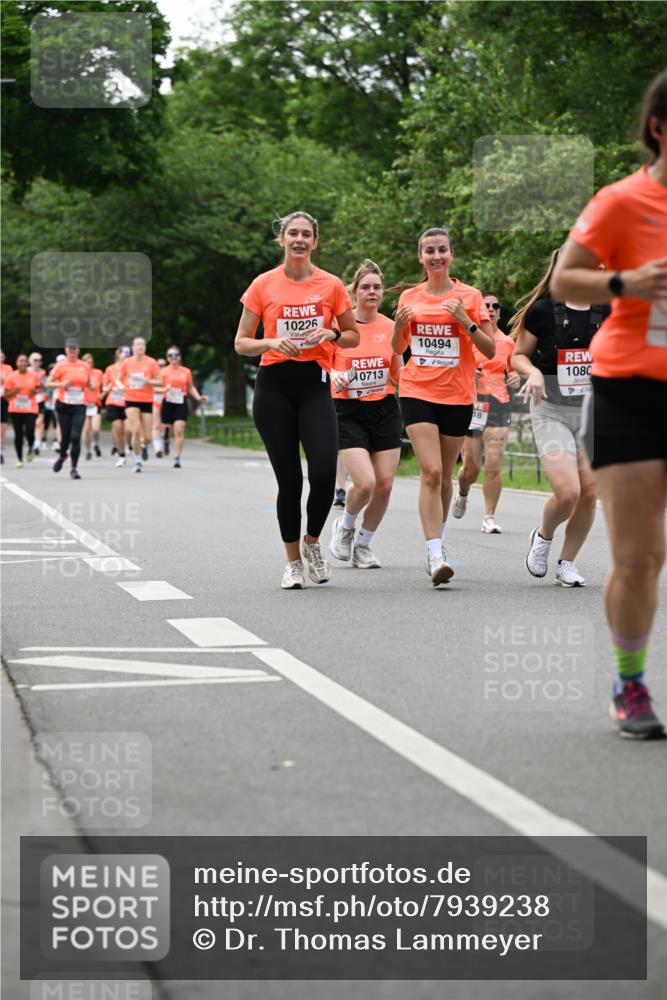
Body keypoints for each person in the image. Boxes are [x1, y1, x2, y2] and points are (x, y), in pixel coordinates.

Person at [551, 69, 667, 739]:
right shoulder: (622, 202)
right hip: (630, 390)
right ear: (658, 129)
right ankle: (628, 683)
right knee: (638, 556)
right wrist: (626, 280)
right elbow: (566, 275)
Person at [235, 210, 359, 589]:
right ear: (282, 240)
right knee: (289, 481)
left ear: (315, 241)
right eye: (293, 234)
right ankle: (292, 563)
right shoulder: (263, 284)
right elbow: (241, 343)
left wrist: (331, 334)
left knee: (323, 473)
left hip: (314, 385)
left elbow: (353, 335)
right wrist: (271, 342)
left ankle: (313, 543)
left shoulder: (332, 284)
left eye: (306, 234)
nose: (300, 240)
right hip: (273, 386)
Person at [391, 227, 494, 585]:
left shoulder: (470, 295)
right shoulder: (410, 296)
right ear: (421, 257)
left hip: (457, 396)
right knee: (432, 472)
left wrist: (465, 321)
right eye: (429, 251)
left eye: (442, 250)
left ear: (451, 254)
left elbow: (491, 350)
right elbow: (397, 346)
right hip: (417, 391)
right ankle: (435, 553)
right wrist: (399, 326)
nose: (436, 256)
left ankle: (440, 538)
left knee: (447, 477)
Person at [510, 252, 609, 587]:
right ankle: (543, 536)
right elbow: (518, 356)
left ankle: (567, 563)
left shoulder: (607, 312)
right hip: (550, 407)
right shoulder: (543, 312)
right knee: (568, 491)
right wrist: (534, 373)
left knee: (590, 491)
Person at [329, 259, 403, 568]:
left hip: (384, 408)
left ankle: (363, 544)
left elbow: (398, 374)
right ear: (355, 292)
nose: (372, 292)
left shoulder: (391, 327)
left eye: (377, 287)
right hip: (348, 409)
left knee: (385, 485)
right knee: (366, 483)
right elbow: (322, 362)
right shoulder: (340, 327)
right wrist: (333, 374)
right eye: (366, 287)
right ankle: (345, 526)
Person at [452, 292, 521, 533]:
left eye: (495, 306)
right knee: (471, 468)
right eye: (486, 305)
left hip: (499, 404)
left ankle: (489, 516)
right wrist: (469, 373)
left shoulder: (508, 343)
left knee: (494, 460)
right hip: (471, 403)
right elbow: (454, 367)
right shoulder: (468, 339)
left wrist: (515, 379)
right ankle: (462, 491)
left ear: (500, 312)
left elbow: (513, 371)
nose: (490, 309)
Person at [46, 338, 92, 479]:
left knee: (76, 436)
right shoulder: (60, 366)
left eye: (75, 348)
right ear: (66, 350)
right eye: (70, 348)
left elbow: (88, 383)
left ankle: (74, 468)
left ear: (78, 350)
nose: (72, 351)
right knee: (65, 437)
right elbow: (48, 384)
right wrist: (61, 385)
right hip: (64, 405)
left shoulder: (85, 366)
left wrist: (91, 387)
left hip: (80, 405)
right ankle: (62, 455)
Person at [117, 337, 162, 473]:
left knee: (147, 436)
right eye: (138, 344)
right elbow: (118, 380)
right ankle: (137, 460)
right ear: (133, 347)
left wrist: (148, 381)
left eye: (143, 344)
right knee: (135, 430)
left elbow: (159, 382)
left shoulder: (151, 362)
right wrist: (121, 387)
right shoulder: (127, 363)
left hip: (147, 400)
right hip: (131, 398)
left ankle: (143, 446)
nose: (141, 347)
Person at [160, 346, 208, 468]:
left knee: (179, 430)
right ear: (167, 358)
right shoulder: (163, 372)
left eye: (175, 355)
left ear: (179, 357)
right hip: (167, 401)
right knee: (167, 430)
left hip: (181, 402)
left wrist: (198, 397)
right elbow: (156, 387)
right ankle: (165, 440)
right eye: (170, 355)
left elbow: (190, 387)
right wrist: (164, 389)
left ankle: (177, 458)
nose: (173, 357)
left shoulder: (186, 371)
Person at [4, 354, 40, 467]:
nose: (23, 363)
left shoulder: (33, 375)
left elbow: (38, 388)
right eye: (20, 361)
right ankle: (19, 458)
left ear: (27, 363)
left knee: (29, 431)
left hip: (30, 408)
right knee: (18, 434)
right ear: (17, 363)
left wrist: (34, 392)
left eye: (25, 361)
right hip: (15, 408)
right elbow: (5, 395)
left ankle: (30, 446)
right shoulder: (11, 377)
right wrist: (15, 391)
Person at [103, 347, 129, 467]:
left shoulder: (131, 368)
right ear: (118, 354)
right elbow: (104, 386)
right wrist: (107, 388)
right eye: (125, 353)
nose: (128, 355)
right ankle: (121, 455)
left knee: (128, 430)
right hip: (113, 401)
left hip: (128, 401)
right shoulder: (110, 369)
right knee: (118, 428)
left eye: (129, 353)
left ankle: (132, 447)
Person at [82, 353, 103, 460]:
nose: (89, 364)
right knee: (86, 430)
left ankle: (96, 444)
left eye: (90, 361)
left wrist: (102, 395)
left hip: (95, 404)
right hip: (84, 404)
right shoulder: (80, 374)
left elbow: (105, 385)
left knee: (95, 429)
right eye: (87, 362)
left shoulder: (98, 373)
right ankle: (87, 450)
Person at [28, 352, 49, 454]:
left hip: (40, 399)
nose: (37, 362)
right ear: (30, 361)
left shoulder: (43, 372)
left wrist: (44, 390)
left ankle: (37, 443)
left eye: (39, 360)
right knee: (29, 424)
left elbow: (45, 386)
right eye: (35, 360)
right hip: (28, 401)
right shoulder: (25, 371)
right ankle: (31, 441)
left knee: (40, 422)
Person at [152, 358, 167, 457]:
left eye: (163, 365)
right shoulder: (153, 376)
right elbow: (152, 388)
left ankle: (164, 441)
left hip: (166, 402)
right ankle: (157, 448)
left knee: (164, 427)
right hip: (155, 401)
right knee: (156, 425)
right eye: (159, 365)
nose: (161, 367)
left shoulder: (168, 375)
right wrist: (165, 390)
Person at [0, 350, 12, 465]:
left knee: (2, 427)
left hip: (3, 398)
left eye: (1, 356)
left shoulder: (8, 368)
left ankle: (1, 452)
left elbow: (12, 382)